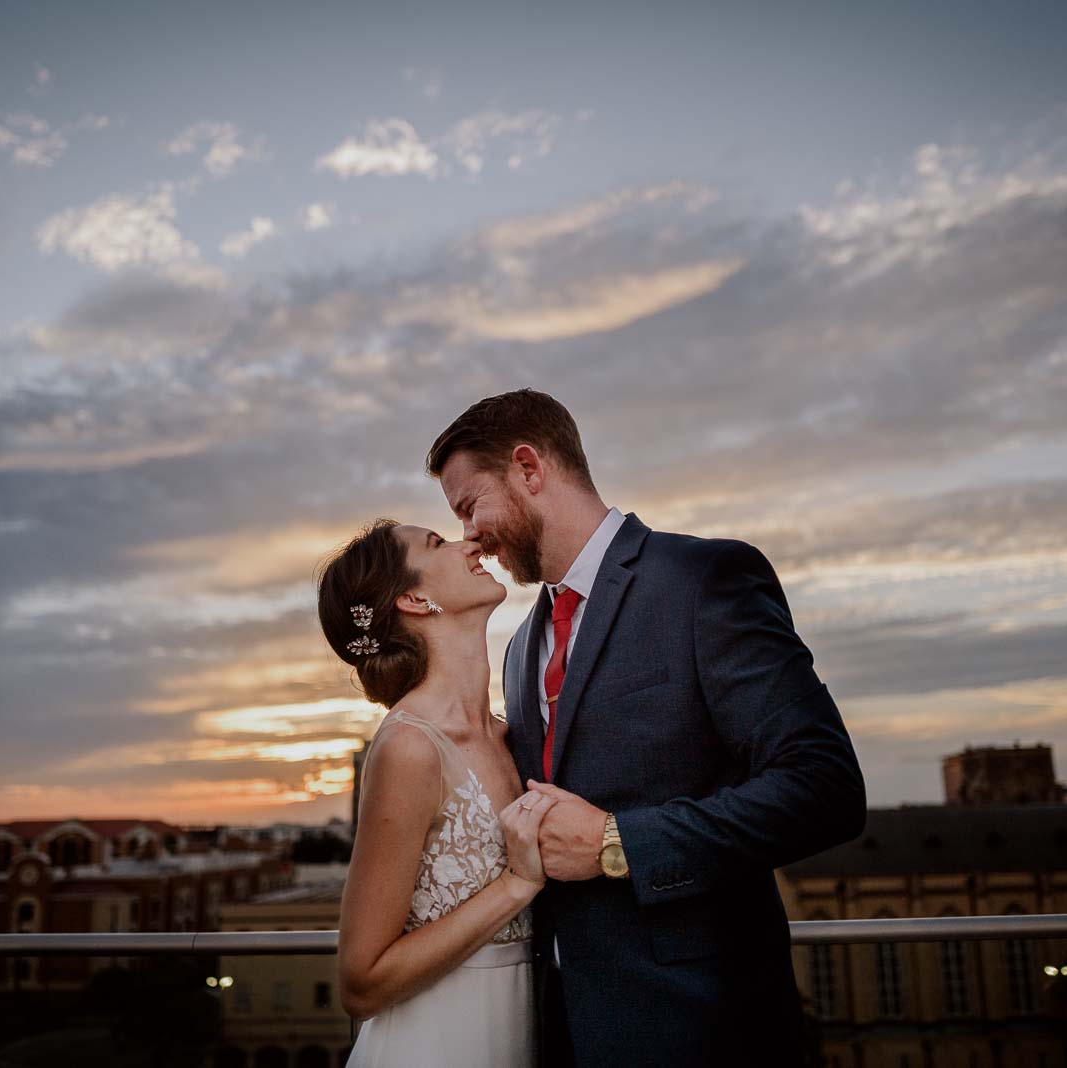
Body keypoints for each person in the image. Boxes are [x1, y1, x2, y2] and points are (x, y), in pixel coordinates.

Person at [425, 388, 867, 1066]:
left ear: (528, 468)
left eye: (469, 506)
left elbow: (824, 789)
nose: (469, 536)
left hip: (705, 1031)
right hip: (559, 1035)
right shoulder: (518, 649)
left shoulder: (703, 579)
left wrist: (616, 842)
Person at [318, 518, 562, 1066]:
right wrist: (516, 885)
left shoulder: (513, 734)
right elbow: (362, 982)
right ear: (413, 598)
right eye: (437, 543)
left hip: (525, 1031)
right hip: (437, 1043)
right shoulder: (410, 748)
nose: (470, 541)